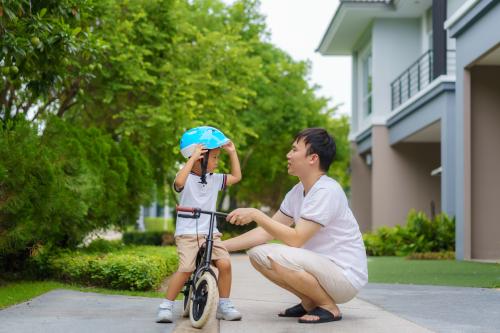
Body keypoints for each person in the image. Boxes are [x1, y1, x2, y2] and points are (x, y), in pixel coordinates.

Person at [223, 128, 368, 324]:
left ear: (312, 158)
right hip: (321, 269)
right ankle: (309, 302)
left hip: (344, 276)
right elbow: (266, 232)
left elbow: (296, 239)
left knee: (277, 256)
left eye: (294, 150)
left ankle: (328, 306)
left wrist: (257, 214)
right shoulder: (297, 191)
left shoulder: (326, 190)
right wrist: (221, 247)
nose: (288, 155)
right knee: (257, 254)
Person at [156, 126, 243, 323]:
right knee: (186, 268)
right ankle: (166, 306)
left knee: (225, 264)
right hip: (188, 233)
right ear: (200, 157)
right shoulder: (185, 178)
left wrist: (233, 152)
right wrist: (193, 158)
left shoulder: (214, 179)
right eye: (214, 157)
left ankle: (224, 304)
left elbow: (236, 177)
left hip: (211, 232)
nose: (217, 161)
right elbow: (178, 182)